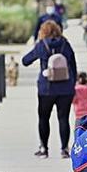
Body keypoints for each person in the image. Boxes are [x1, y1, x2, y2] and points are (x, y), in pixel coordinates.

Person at [22, 20, 77, 159]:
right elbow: (73, 66)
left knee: (43, 118)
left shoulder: (42, 45)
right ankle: (64, 149)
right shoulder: (65, 44)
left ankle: (44, 149)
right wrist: (72, 84)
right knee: (63, 118)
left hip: (46, 89)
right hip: (65, 89)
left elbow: (25, 61)